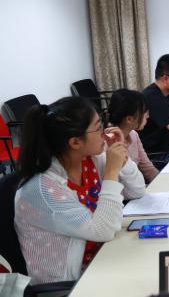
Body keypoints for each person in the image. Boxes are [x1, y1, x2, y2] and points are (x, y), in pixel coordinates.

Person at [14, 97, 145, 284]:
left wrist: (122, 158)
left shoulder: (91, 159)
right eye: (98, 128)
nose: (105, 132)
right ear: (75, 142)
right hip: (69, 284)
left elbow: (137, 190)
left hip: (104, 256)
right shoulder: (42, 189)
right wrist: (111, 172)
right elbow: (102, 231)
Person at [107, 89, 159, 183]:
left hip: (136, 188)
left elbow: (148, 169)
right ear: (129, 119)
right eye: (145, 112)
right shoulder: (108, 142)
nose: (147, 116)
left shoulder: (133, 134)